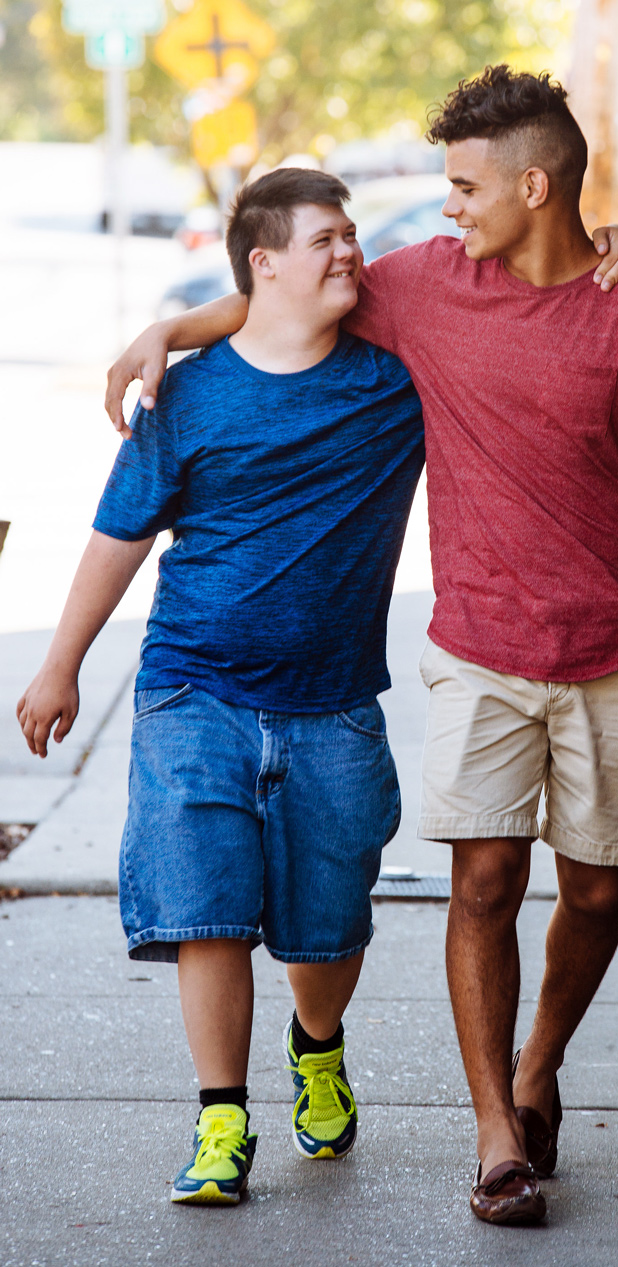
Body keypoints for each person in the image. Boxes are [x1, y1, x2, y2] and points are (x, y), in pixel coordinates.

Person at [104, 66, 618, 1229]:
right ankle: (496, 1128)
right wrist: (168, 326)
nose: (444, 207)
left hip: (615, 645)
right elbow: (284, 299)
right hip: (479, 648)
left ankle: (537, 1064)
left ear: (534, 185)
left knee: (595, 892)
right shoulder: (427, 286)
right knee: (484, 880)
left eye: (461, 185)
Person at [17, 168, 427, 1205]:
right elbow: (120, 535)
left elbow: (508, 282)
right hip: (191, 684)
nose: (349, 252)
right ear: (265, 260)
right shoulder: (187, 395)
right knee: (207, 909)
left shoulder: (392, 382)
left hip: (331, 701)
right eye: (326, 239)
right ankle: (220, 1119)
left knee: (326, 926)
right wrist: (59, 661)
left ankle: (318, 1045)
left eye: (350, 238)